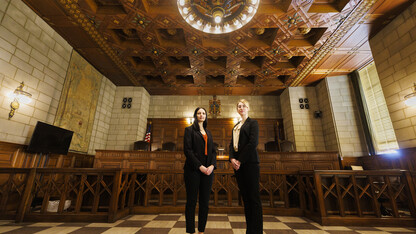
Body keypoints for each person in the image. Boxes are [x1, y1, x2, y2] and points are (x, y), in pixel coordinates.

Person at [229, 99, 263, 233]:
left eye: (243, 106)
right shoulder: (236, 126)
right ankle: (250, 231)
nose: (241, 108)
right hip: (238, 166)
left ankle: (257, 231)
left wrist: (240, 160)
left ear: (248, 108)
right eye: (239, 106)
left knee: (254, 199)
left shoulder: (253, 123)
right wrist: (231, 158)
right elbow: (232, 144)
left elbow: (252, 143)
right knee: (246, 199)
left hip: (250, 164)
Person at [183, 107, 217, 234]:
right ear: (195, 115)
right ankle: (190, 230)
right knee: (191, 202)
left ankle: (201, 230)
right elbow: (188, 151)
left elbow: (213, 152)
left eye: (203, 113)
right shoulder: (189, 130)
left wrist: (212, 166)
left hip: (208, 171)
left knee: (205, 203)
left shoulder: (209, 132)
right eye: (199, 113)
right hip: (193, 170)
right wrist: (200, 166)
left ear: (206, 116)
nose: (201, 115)